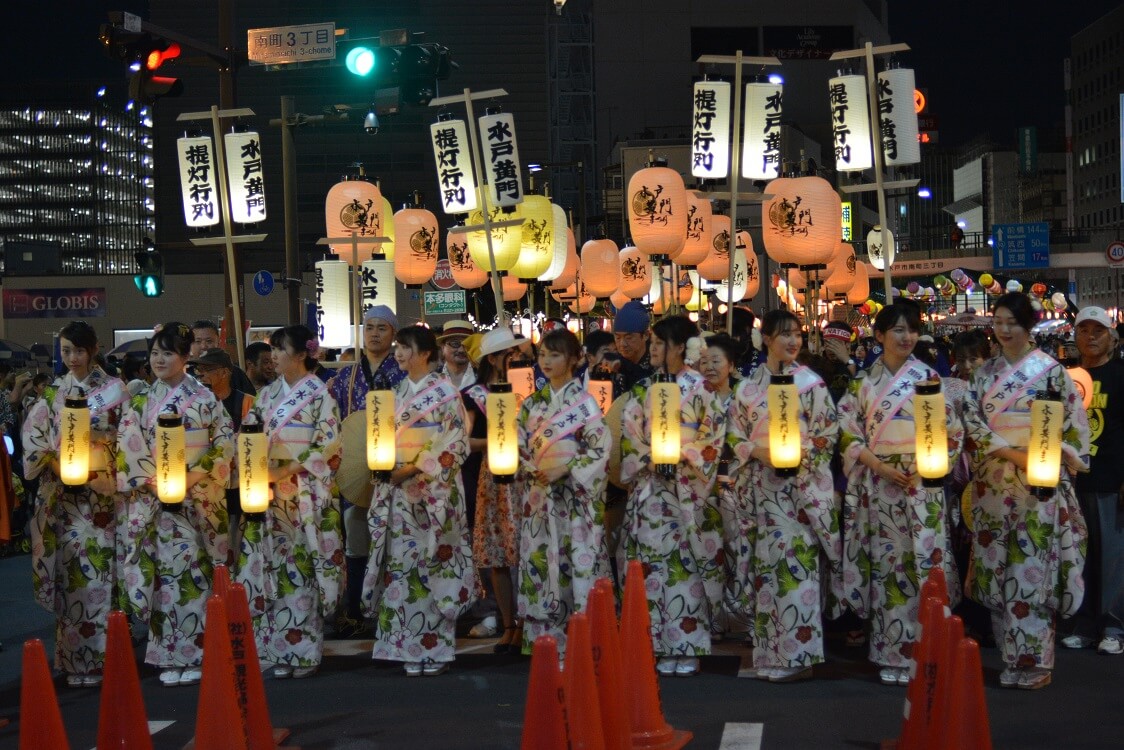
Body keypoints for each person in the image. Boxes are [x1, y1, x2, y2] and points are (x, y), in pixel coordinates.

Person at [962, 292, 1090, 690]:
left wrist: (1042, 454)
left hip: (1038, 487)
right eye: (997, 321)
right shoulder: (984, 375)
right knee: (999, 568)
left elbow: (1073, 428)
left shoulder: (1052, 373)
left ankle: (1034, 661)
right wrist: (1012, 453)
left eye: (1011, 322)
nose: (1003, 329)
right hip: (995, 486)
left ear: (1028, 325)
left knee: (1032, 571)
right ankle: (1010, 658)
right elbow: (972, 423)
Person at [837, 303, 963, 687]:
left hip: (921, 483)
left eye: (911, 329)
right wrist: (878, 466)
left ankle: (927, 648)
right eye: (896, 330)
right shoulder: (863, 383)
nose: (905, 336)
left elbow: (952, 432)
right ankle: (890, 651)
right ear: (878, 336)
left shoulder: (929, 378)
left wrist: (930, 465)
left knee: (922, 563)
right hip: (880, 483)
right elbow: (847, 430)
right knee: (887, 565)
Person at [116, 322, 234, 687]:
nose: (159, 360)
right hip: (156, 501)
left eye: (168, 353)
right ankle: (167, 654)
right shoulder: (139, 400)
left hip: (193, 499)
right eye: (154, 353)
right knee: (162, 580)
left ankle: (197, 651)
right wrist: (157, 484)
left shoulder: (203, 399)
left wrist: (191, 479)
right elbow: (129, 449)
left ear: (186, 357)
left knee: (193, 578)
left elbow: (224, 443)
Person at [726, 310, 839, 682]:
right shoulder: (747, 387)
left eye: (797, 334)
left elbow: (827, 433)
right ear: (766, 340)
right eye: (784, 334)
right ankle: (770, 652)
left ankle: (798, 656)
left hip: (799, 493)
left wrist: (799, 456)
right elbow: (735, 435)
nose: (792, 341)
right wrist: (756, 452)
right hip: (761, 489)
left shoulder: (811, 384)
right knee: (767, 574)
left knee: (797, 570)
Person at [361, 325, 476, 677]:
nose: (399, 354)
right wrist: (385, 470)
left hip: (431, 494)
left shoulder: (444, 392)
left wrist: (411, 468)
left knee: (431, 564)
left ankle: (435, 647)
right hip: (399, 494)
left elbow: (455, 443)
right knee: (403, 567)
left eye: (405, 348)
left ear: (425, 353)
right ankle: (405, 644)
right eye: (398, 348)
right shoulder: (394, 393)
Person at [22, 321, 128, 688]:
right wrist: (61, 467)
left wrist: (98, 441)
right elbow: (36, 445)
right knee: (71, 580)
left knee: (102, 576)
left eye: (78, 351)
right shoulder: (52, 395)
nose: (71, 358)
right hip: (65, 499)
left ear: (93, 350)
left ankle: (105, 657)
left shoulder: (115, 391)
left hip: (100, 496)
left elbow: (128, 438)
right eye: (65, 351)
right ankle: (73, 660)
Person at [619, 315, 724, 678]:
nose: (653, 350)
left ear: (680, 346)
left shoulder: (702, 389)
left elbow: (712, 435)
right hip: (652, 488)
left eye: (659, 344)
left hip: (687, 489)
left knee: (686, 567)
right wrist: (650, 456)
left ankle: (689, 642)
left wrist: (682, 456)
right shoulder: (643, 389)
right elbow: (629, 432)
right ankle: (661, 643)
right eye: (652, 344)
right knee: (653, 567)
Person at [238, 325, 343, 679]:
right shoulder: (266, 396)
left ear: (301, 354)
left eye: (280, 349)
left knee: (301, 569)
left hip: (303, 493)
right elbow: (249, 436)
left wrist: (285, 472)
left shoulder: (320, 395)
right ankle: (276, 647)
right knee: (272, 568)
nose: (274, 356)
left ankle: (305, 651)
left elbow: (328, 444)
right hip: (268, 493)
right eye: (273, 349)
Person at [516, 329, 610, 660]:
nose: (546, 361)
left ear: (573, 359)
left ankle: (581, 648)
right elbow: (517, 447)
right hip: (541, 498)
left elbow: (600, 448)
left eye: (554, 355)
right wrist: (531, 468)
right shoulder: (531, 405)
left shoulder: (584, 404)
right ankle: (547, 647)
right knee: (543, 565)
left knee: (573, 566)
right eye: (542, 354)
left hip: (573, 499)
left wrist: (565, 469)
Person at [327, 305, 406, 637]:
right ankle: (355, 607)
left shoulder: (403, 374)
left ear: (393, 334)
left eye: (382, 328)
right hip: (356, 469)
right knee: (356, 540)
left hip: (397, 469)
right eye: (369, 327)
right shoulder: (344, 377)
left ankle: (390, 608)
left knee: (394, 540)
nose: (374, 333)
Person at [461, 327, 523, 650]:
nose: (518, 359)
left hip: (527, 476)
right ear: (495, 359)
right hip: (495, 477)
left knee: (527, 552)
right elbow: (463, 440)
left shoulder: (527, 389)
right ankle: (508, 623)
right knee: (499, 555)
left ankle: (528, 620)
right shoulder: (474, 395)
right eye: (511, 354)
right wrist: (496, 440)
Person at [1068, 306, 1124, 655]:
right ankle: (1085, 624)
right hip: (1074, 481)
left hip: (1111, 479)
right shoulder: (1067, 377)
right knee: (1080, 556)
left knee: (1113, 556)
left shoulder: (1121, 375)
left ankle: (1114, 626)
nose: (1090, 336)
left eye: (1098, 330)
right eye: (1083, 329)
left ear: (1112, 337)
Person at [696, 333, 741, 638]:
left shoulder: (745, 397)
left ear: (731, 365)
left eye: (716, 360)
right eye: (704, 361)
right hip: (704, 484)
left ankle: (741, 618)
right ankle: (713, 618)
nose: (709, 367)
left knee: (740, 550)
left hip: (737, 480)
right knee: (710, 550)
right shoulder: (695, 400)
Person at [190, 348, 253, 543]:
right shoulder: (194, 404)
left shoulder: (247, 402)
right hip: (200, 479)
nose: (201, 374)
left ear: (225, 372)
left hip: (235, 481)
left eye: (207, 369)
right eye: (198, 369)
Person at [190, 320, 256, 396]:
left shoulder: (234, 373)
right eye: (198, 341)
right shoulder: (184, 375)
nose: (203, 346)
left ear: (218, 342)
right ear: (190, 344)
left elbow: (251, 403)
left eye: (209, 341)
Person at [438, 320, 476, 389]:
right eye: (455, 344)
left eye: (467, 345)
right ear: (443, 347)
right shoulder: (431, 378)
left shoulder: (483, 376)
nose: (461, 350)